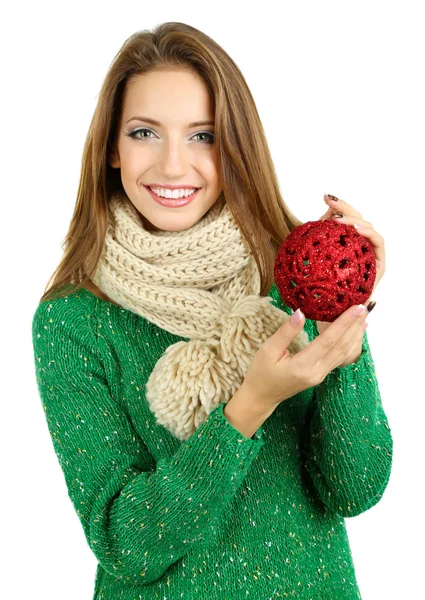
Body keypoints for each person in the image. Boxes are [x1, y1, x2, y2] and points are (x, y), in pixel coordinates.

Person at [31, 21, 393, 600]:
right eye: (145, 132)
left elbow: (355, 488)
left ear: (235, 148)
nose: (174, 165)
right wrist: (249, 405)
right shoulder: (73, 321)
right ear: (112, 150)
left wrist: (342, 315)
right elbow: (126, 542)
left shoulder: (292, 278)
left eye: (203, 136)